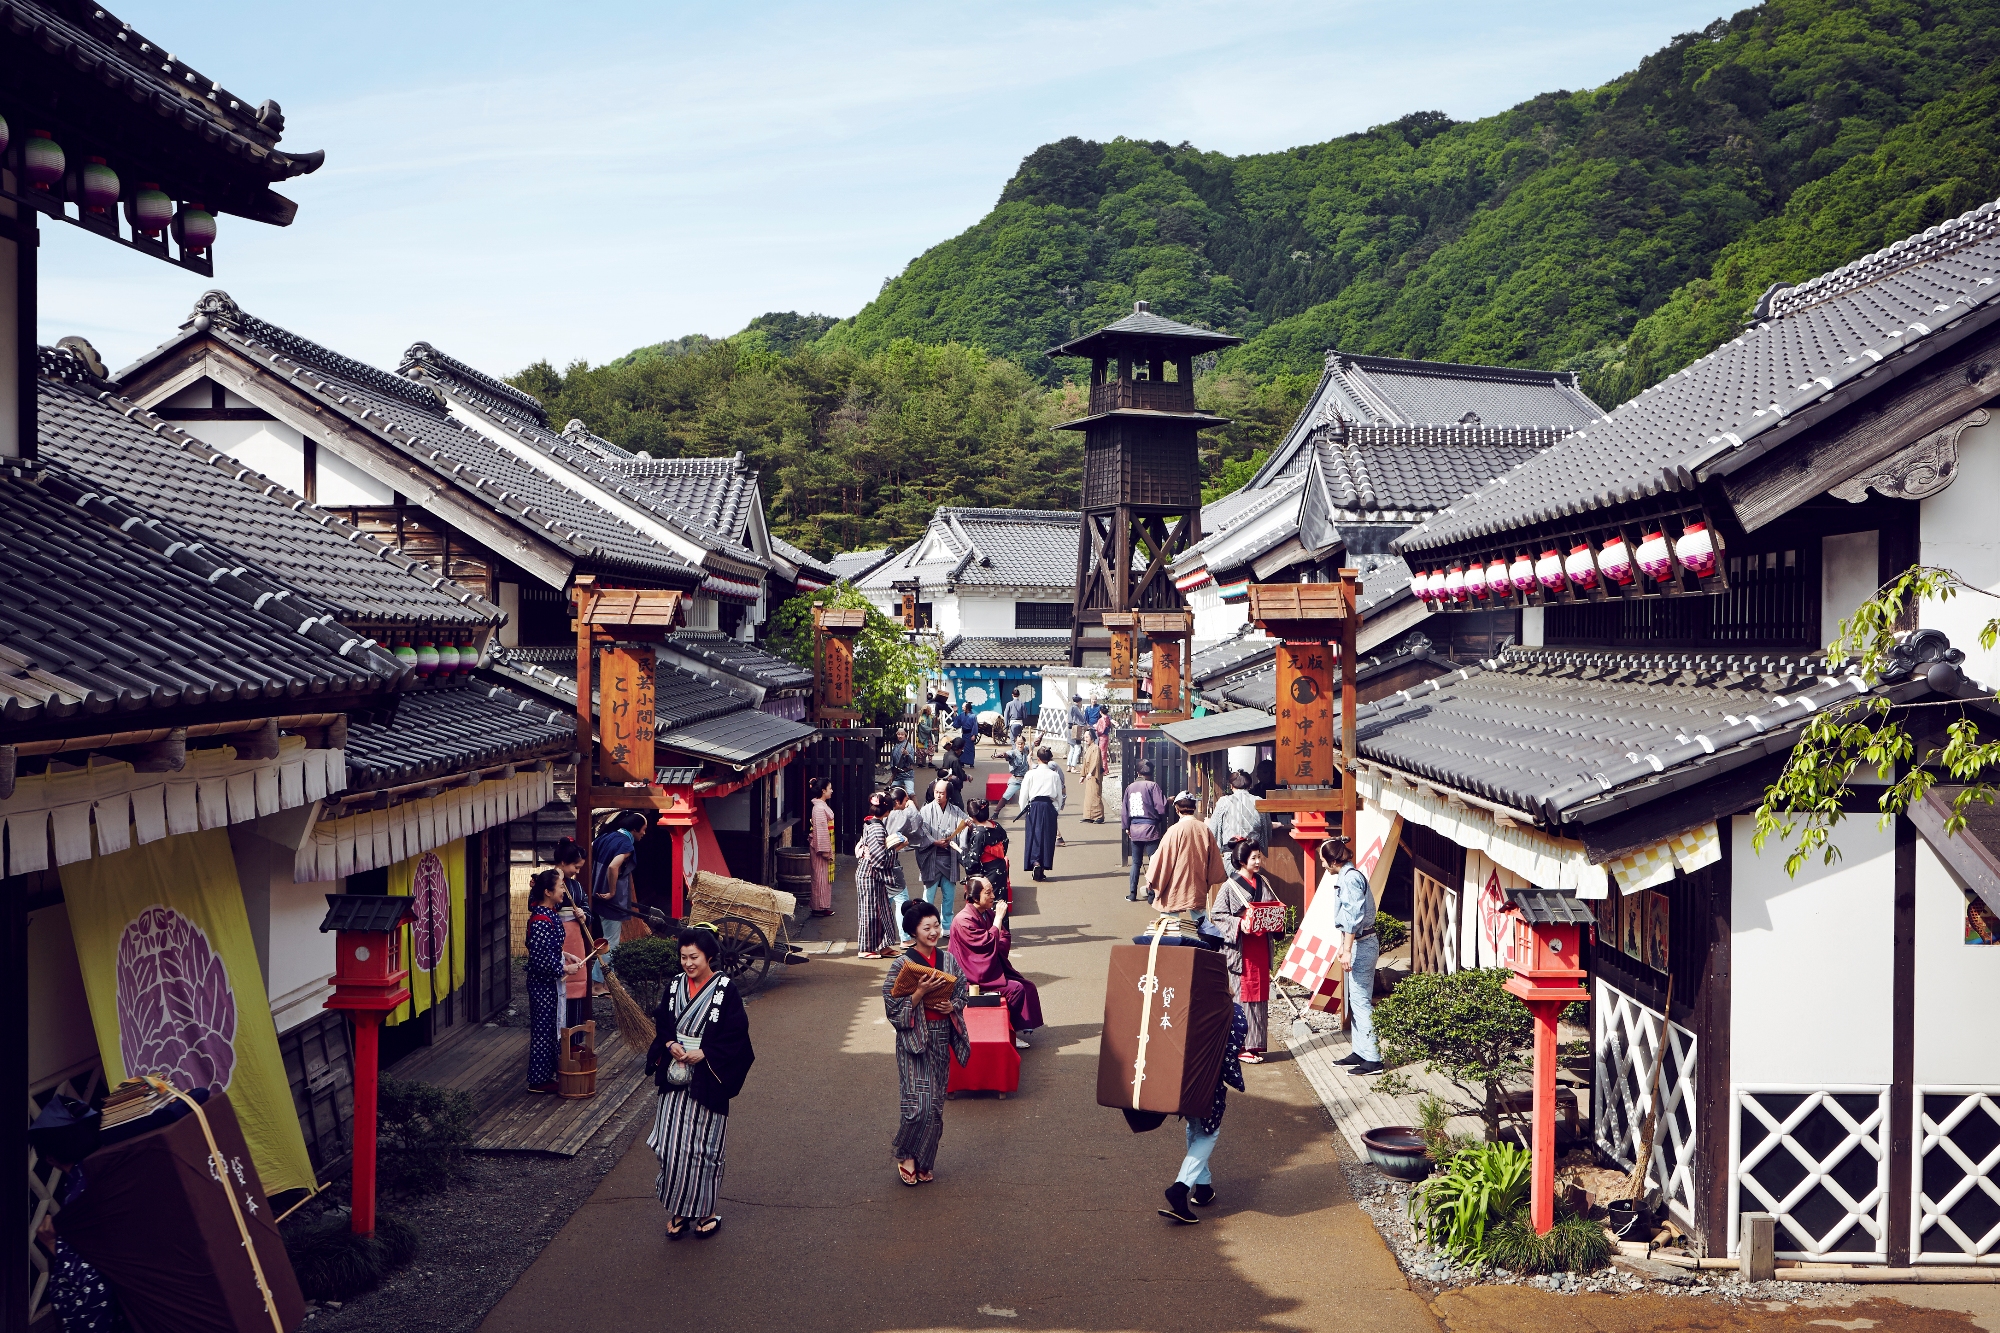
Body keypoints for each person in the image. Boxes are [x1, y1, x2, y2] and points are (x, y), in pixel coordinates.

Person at [645, 927, 755, 1239]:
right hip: (675, 1077)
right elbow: (663, 1023)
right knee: (670, 1146)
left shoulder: (724, 988)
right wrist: (669, 1045)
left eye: (694, 957)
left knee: (702, 1148)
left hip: (708, 1077)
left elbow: (737, 1035)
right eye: (683, 957)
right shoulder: (675, 985)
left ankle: (706, 1210)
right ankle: (679, 1209)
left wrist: (706, 1052)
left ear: (709, 956)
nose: (688, 963)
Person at [882, 901, 970, 1185]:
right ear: (914, 932)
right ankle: (906, 1153)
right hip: (912, 1039)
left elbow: (963, 990)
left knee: (934, 1105)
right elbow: (892, 1006)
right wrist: (918, 993)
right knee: (917, 1103)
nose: (934, 932)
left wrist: (952, 1006)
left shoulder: (948, 960)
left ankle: (925, 1160)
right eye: (927, 928)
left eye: (936, 926)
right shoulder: (901, 964)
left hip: (940, 1034)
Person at [1160, 1004, 1248, 1224]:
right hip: (1207, 1085)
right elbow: (1229, 1053)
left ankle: (1203, 1188)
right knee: (1208, 1134)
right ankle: (1180, 1189)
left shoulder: (1188, 1005)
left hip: (1181, 1080)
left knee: (1196, 1127)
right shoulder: (1231, 1012)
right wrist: (1236, 1080)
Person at [1209, 841, 1282, 1062]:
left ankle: (1256, 1044)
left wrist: (1274, 918)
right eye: (1254, 858)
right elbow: (1218, 914)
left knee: (1260, 996)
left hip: (1260, 947)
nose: (1258, 862)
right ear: (1242, 861)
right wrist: (1240, 924)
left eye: (1259, 857)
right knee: (1243, 996)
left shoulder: (1264, 882)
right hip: (1242, 949)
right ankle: (1241, 1046)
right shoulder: (1229, 886)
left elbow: (1273, 907)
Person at [949, 876, 1041, 1047]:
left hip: (986, 967)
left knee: (1027, 986)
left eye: (992, 891)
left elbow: (1002, 936)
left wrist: (996, 938)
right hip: (971, 975)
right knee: (1016, 989)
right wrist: (998, 919)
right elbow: (986, 945)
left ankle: (1015, 1028)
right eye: (988, 892)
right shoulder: (964, 920)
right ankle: (1009, 1031)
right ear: (974, 897)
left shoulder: (986, 913)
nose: (993, 896)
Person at [1322, 838, 1383, 1076]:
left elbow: (1353, 916)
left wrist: (1346, 949)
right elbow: (1346, 918)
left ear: (1334, 860)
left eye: (1323, 860)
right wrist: (1343, 946)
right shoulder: (1346, 877)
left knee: (1360, 1000)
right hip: (1357, 943)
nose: (1322, 865)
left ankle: (1374, 1059)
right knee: (1355, 999)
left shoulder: (1351, 879)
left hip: (1362, 944)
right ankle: (1361, 1051)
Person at [525, 869, 582, 1093]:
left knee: (552, 1029)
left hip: (549, 983)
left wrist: (565, 955)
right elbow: (540, 960)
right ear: (548, 892)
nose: (563, 892)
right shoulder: (540, 920)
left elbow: (550, 949)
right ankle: (538, 1081)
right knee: (543, 1031)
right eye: (560, 888)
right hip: (542, 985)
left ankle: (547, 1074)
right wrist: (566, 968)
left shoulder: (548, 913)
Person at [1146, 791, 1226, 924]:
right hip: (1197, 881)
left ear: (1177, 809)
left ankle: (1170, 944)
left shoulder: (1174, 830)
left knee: (1169, 918)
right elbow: (1214, 859)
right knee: (1200, 917)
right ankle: (1206, 942)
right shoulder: (1204, 829)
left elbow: (1162, 858)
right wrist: (1209, 879)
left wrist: (1152, 879)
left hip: (1174, 882)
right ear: (1194, 808)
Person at [590, 811, 645, 996]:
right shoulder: (625, 843)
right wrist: (612, 891)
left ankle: (600, 981)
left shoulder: (605, 837)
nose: (643, 834)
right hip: (609, 899)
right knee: (611, 942)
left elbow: (589, 852)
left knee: (607, 939)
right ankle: (597, 983)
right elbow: (614, 866)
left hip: (596, 893)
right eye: (643, 830)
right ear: (634, 829)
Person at [913, 779, 971, 923]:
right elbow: (921, 831)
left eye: (942, 793)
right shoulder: (925, 810)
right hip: (931, 857)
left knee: (949, 895)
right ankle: (926, 922)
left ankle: (947, 924)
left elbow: (965, 824)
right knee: (928, 896)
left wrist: (969, 824)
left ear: (948, 794)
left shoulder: (956, 811)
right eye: (936, 792)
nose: (938, 795)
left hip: (949, 859)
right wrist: (934, 842)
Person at [853, 792, 898, 958]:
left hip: (871, 873)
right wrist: (894, 849)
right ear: (887, 811)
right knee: (870, 912)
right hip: (870, 873)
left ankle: (884, 946)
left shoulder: (870, 822)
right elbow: (880, 859)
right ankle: (866, 949)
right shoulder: (877, 828)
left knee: (883, 910)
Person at [1015, 746, 1065, 881]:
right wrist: (1056, 809)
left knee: (1034, 836)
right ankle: (1043, 866)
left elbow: (1023, 794)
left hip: (1034, 806)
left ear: (1038, 759)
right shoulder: (1054, 775)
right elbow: (1059, 796)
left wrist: (1024, 809)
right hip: (1049, 806)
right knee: (1048, 837)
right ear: (1050, 759)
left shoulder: (1030, 774)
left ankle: (1035, 862)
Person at [1121, 761, 1169, 902]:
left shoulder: (1130, 787)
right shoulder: (1152, 786)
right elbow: (1161, 807)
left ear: (1138, 772)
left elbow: (1124, 811)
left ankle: (1132, 893)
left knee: (1136, 862)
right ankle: (1152, 895)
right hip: (1150, 828)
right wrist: (1169, 801)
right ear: (1151, 773)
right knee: (1153, 862)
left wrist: (1127, 827)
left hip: (1135, 829)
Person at [884, 785, 920, 942]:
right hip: (891, 863)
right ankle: (904, 938)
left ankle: (884, 937)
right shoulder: (897, 814)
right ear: (897, 802)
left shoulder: (882, 816)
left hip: (881, 864)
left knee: (886, 902)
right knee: (902, 900)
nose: (907, 803)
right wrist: (912, 806)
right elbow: (916, 822)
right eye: (905, 800)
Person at [1207, 770, 1270, 857]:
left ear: (1231, 786)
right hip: (1252, 853)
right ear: (1249, 786)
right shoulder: (1259, 801)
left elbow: (1213, 830)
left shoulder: (1224, 802)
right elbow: (1267, 831)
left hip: (1230, 852)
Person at [959, 797, 1011, 902]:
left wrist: (960, 853)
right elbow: (1005, 842)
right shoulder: (996, 825)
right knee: (1000, 901)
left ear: (972, 816)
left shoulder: (979, 834)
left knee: (987, 903)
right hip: (999, 867)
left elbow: (972, 864)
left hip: (987, 872)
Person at [809, 778, 837, 917]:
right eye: (829, 788)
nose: (831, 790)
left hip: (823, 844)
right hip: (820, 847)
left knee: (822, 877)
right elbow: (820, 831)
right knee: (820, 877)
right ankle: (819, 907)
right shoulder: (819, 808)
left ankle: (822, 905)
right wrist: (825, 850)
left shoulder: (820, 806)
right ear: (823, 791)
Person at [1078, 718, 1106, 822]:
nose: (1085, 739)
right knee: (1089, 796)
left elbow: (1096, 761)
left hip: (1095, 775)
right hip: (1090, 775)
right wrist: (1083, 775)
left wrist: (1090, 772)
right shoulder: (1089, 748)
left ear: (1092, 737)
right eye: (1084, 737)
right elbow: (1085, 763)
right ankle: (1088, 816)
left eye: (1087, 737)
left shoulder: (1095, 748)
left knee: (1095, 794)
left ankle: (1099, 816)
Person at [934, 738, 968, 806]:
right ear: (960, 749)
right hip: (953, 785)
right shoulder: (955, 760)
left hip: (945, 782)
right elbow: (960, 774)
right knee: (959, 806)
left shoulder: (946, 754)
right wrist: (967, 777)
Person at [1001, 735, 1033, 809]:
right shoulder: (1013, 752)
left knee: (1031, 796)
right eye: (1018, 743)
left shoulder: (1027, 750)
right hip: (1016, 780)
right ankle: (996, 812)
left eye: (1022, 743)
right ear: (1015, 743)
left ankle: (1031, 812)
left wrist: (1041, 735)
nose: (1020, 745)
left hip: (1026, 779)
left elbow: (1035, 743)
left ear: (1024, 743)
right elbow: (1007, 755)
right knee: (1006, 796)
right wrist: (1002, 755)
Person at [888, 728, 918, 795]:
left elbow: (912, 761)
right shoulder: (896, 746)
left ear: (905, 735)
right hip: (897, 775)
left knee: (910, 793)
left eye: (902, 734)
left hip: (907, 774)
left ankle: (916, 806)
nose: (900, 736)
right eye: (898, 734)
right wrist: (893, 775)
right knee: (892, 792)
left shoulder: (909, 746)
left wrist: (907, 754)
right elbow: (893, 763)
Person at [1066, 695, 1087, 770]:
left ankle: (1068, 765)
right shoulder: (1076, 708)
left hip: (1070, 729)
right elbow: (1081, 718)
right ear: (1079, 701)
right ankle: (1073, 766)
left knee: (1072, 749)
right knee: (1077, 748)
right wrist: (1085, 725)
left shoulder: (1070, 708)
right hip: (1076, 729)